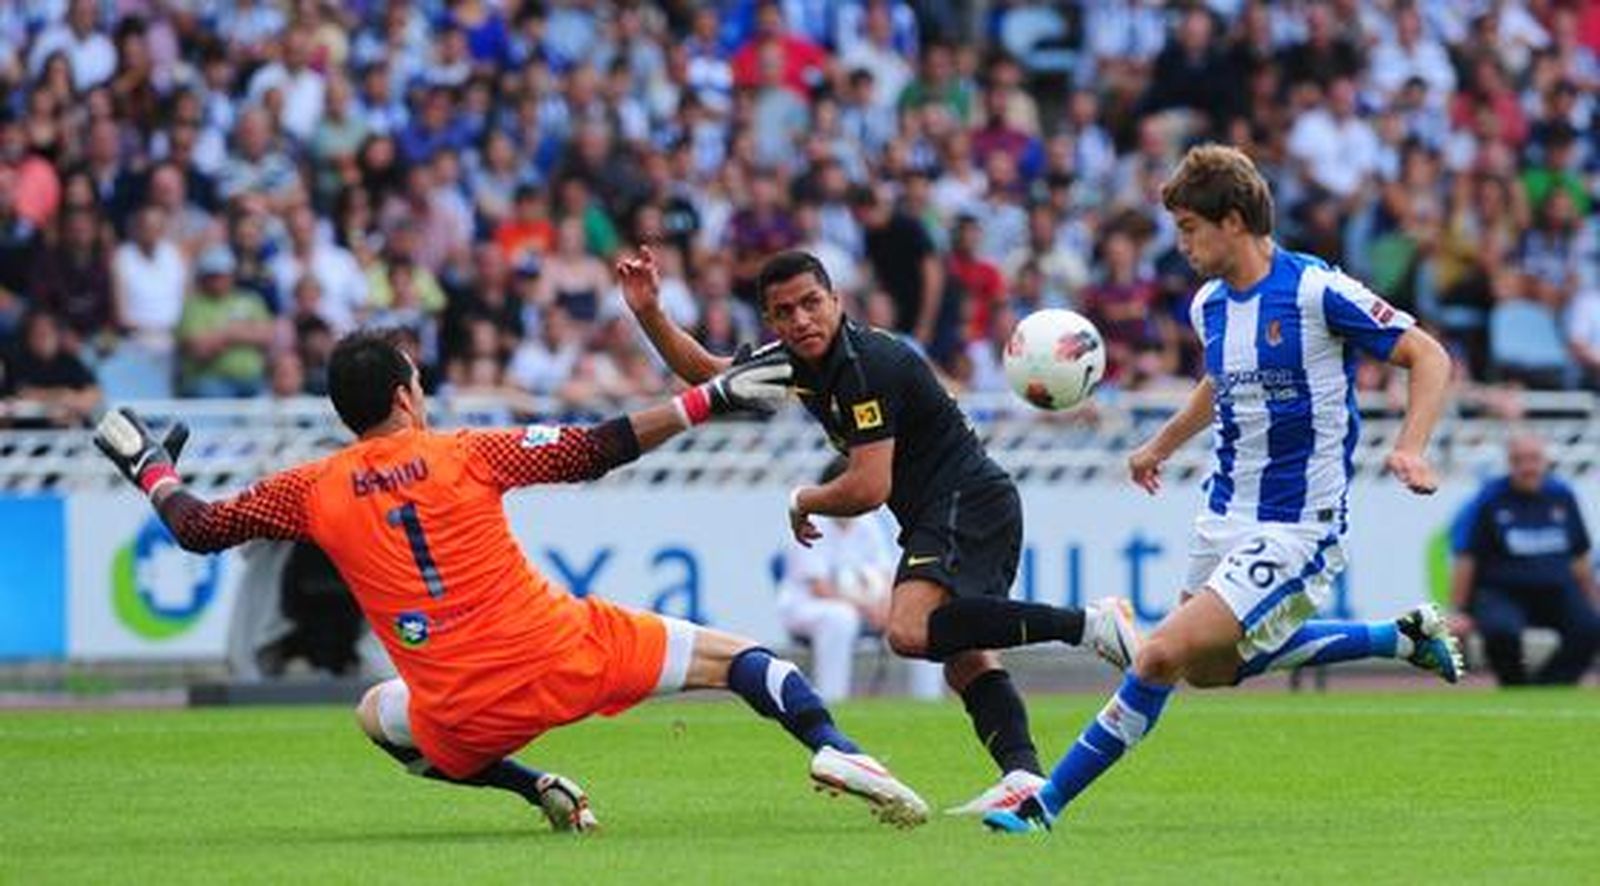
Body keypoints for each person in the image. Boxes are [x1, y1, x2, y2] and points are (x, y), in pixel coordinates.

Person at [93, 329, 928, 831]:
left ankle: (538, 788)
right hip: (565, 654)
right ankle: (839, 752)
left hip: (462, 715)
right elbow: (595, 448)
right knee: (743, 662)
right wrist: (708, 397)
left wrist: (150, 467)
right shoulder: (462, 451)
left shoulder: (309, 488)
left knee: (376, 716)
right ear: (404, 396)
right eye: (418, 380)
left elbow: (199, 529)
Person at [985, 144, 1465, 834]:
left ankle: (1043, 804)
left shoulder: (1315, 291)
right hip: (1223, 513)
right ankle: (1398, 637)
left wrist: (1411, 447)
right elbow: (1221, 379)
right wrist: (1160, 444)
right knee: (1207, 672)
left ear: (1233, 221)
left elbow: (1428, 354)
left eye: (1188, 228)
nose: (1180, 245)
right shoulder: (1211, 304)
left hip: (1298, 526)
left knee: (1157, 655)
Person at [617, 246, 1139, 816]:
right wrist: (649, 313)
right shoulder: (795, 361)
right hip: (951, 508)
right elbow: (710, 376)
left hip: (967, 500)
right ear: (771, 321)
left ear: (837, 300)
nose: (801, 320)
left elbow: (868, 488)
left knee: (909, 631)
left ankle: (1089, 624)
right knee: (964, 656)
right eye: (785, 311)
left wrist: (803, 499)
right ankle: (1022, 776)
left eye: (812, 303)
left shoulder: (866, 364)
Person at [1450, 432, 1600, 685]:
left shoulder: (1562, 496)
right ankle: (1514, 685)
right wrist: (1459, 610)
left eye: (1534, 459)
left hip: (1556, 590)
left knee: (1590, 626)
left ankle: (1551, 687)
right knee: (1501, 632)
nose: (1527, 467)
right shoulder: (1490, 498)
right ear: (1510, 463)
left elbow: (1579, 556)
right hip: (1502, 591)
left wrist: (1593, 601)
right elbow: (1467, 558)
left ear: (1545, 461)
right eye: (1519, 460)